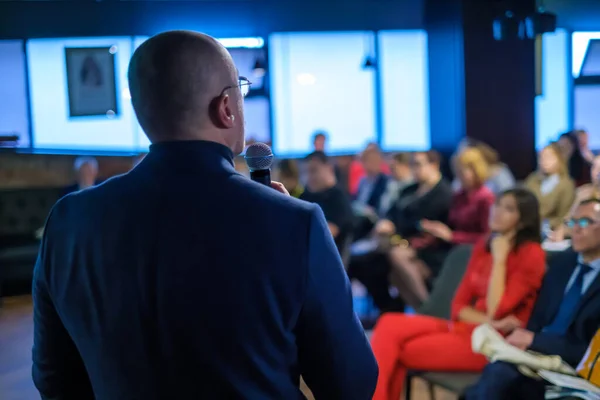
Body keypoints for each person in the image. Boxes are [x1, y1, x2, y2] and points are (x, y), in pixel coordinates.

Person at [32, 31, 377, 400]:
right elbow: (351, 384)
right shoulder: (294, 222)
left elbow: (54, 379)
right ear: (226, 106)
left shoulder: (68, 221)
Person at [370, 188, 546, 400]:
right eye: (497, 205)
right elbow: (458, 307)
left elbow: (498, 309)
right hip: (469, 326)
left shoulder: (532, 254)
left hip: (494, 343)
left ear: (523, 220)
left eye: (508, 209)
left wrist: (500, 259)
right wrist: (488, 320)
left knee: (397, 351)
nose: (497, 212)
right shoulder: (485, 244)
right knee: (389, 323)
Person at [465, 198, 600, 400]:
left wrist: (536, 340)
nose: (576, 229)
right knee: (497, 374)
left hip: (578, 369)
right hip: (538, 355)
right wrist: (530, 340)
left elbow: (590, 351)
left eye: (585, 222)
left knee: (497, 383)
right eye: (572, 222)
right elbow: (538, 318)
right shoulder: (563, 262)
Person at [349, 151, 452, 312]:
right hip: (404, 242)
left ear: (434, 165)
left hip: (431, 249)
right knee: (377, 266)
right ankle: (419, 310)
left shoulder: (444, 192)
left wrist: (395, 226)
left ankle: (431, 308)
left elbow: (423, 222)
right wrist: (387, 222)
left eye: (418, 164)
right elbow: (393, 212)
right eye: (412, 165)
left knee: (394, 257)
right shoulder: (410, 189)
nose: (414, 169)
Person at [391, 147, 495, 308]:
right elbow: (450, 227)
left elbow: (486, 237)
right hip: (447, 247)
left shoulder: (485, 198)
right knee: (396, 271)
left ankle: (430, 309)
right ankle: (425, 311)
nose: (461, 174)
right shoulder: (460, 195)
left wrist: (450, 236)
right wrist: (435, 232)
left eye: (465, 169)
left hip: (469, 252)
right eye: (458, 170)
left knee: (403, 260)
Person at [300, 151, 355, 256]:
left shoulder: (338, 198)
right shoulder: (306, 195)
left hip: (326, 260)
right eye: (305, 172)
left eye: (314, 171)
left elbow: (326, 234)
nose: (309, 177)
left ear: (328, 168)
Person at [524, 142, 576, 232]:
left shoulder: (566, 184)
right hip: (527, 226)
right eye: (541, 157)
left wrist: (544, 224)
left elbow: (564, 216)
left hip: (550, 231)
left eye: (549, 157)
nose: (544, 161)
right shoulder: (532, 180)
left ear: (559, 159)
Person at [549, 155, 600, 241]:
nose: (597, 172)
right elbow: (568, 219)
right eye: (594, 167)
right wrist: (563, 230)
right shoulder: (583, 192)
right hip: (579, 240)